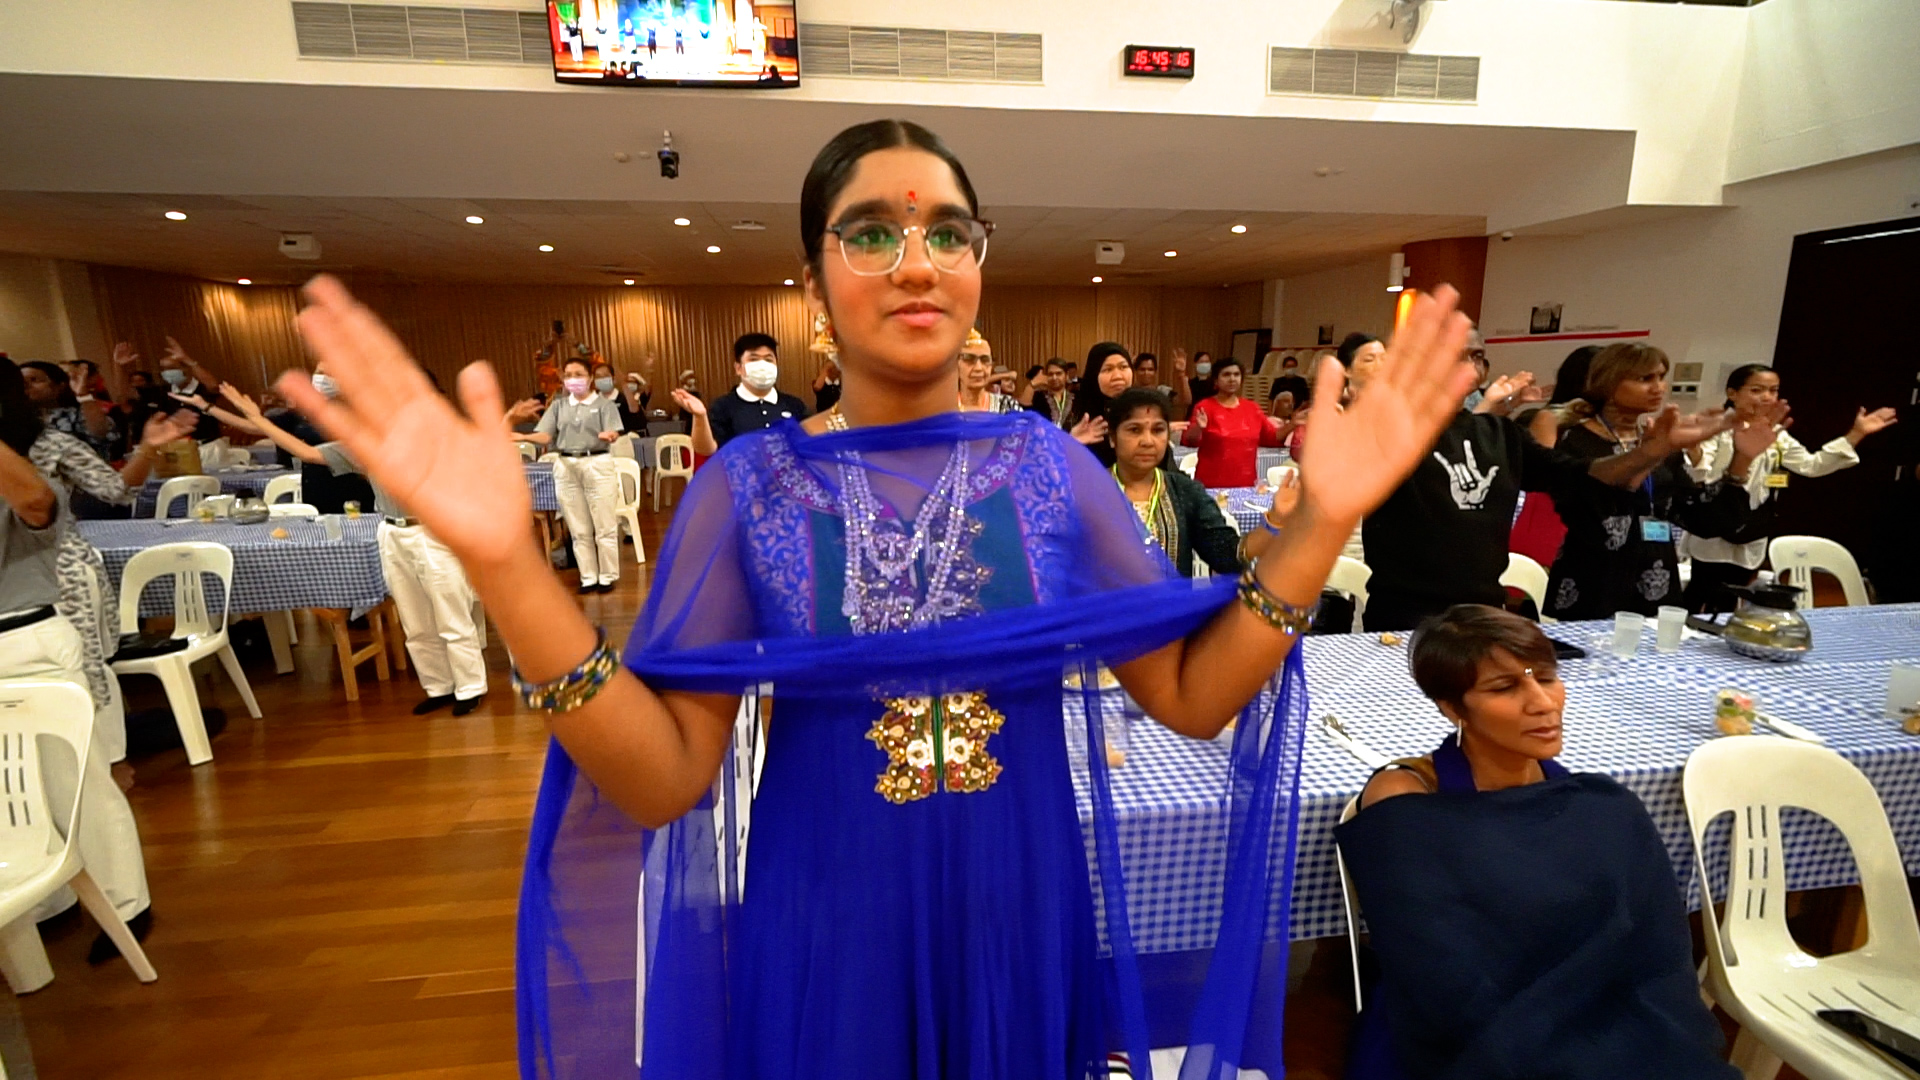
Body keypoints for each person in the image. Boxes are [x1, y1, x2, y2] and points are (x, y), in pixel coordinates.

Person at [274, 116, 1479, 1078]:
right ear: (812, 281)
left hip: (1022, 901)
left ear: (981, 266)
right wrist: (502, 563)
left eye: (951, 234)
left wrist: (1323, 521)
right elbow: (661, 778)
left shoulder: (1051, 469)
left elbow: (1192, 697)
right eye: (870, 235)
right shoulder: (747, 488)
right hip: (827, 914)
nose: (917, 262)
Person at [1337, 605, 1738, 1080]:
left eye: (1546, 678)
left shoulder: (1604, 807)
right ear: (1451, 707)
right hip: (1473, 1043)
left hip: (1615, 1030)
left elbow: (1658, 957)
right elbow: (1437, 974)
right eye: (1505, 687)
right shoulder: (1408, 801)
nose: (1543, 702)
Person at [1356, 347, 1731, 630]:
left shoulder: (1499, 434)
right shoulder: (1385, 433)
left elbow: (1582, 475)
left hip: (1482, 609)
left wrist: (1655, 450)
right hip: (1402, 612)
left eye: (1472, 355)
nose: (1467, 364)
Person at [0, 381, 154, 961]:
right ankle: (42, 900)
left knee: (76, 781)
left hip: (25, 636)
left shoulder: (30, 464)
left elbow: (39, 506)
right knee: (9, 795)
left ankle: (124, 903)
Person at [221, 385, 489, 717]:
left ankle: (470, 688)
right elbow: (307, 453)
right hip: (391, 532)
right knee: (414, 620)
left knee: (451, 614)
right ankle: (438, 686)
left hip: (433, 532)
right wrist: (256, 419)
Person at [1546, 343, 1769, 620]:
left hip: (1656, 579)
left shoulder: (1660, 439)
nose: (1659, 387)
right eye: (1645, 379)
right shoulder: (1573, 439)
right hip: (1594, 580)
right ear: (1608, 382)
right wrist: (1652, 453)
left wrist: (1742, 461)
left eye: (1661, 377)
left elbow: (1703, 519)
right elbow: (1591, 510)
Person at [1679, 364, 1897, 612]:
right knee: (1701, 592)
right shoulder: (1719, 428)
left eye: (1773, 391)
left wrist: (1855, 435)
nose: (1767, 397)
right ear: (1732, 393)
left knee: (1733, 596)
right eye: (1757, 390)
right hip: (1715, 524)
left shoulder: (1777, 434)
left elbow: (1811, 465)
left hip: (1751, 528)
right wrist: (1693, 448)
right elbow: (1701, 472)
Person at [1106, 388, 1285, 578]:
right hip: (1104, 607)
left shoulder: (1185, 491)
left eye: (1158, 430)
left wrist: (1275, 520)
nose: (1148, 441)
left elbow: (1228, 555)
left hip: (1175, 607)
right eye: (1135, 430)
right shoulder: (1085, 491)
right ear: (1112, 438)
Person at [524, 358, 625, 593]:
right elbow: (545, 436)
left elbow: (615, 431)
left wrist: (611, 435)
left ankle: (607, 576)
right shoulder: (559, 406)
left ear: (590, 378)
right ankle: (588, 576)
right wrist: (521, 437)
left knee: (604, 524)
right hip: (566, 464)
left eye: (578, 374)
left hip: (597, 461)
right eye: (568, 375)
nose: (573, 379)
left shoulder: (604, 404)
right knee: (578, 526)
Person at [1180, 356, 1283, 488]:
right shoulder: (1204, 406)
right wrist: (1199, 428)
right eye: (1226, 375)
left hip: (1246, 485)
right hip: (1211, 485)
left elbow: (1272, 438)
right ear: (1216, 380)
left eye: (1236, 374)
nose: (1232, 379)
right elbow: (1190, 441)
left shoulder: (1252, 408)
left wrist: (1294, 424)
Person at [706, 332, 810, 445]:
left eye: (769, 360)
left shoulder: (794, 405)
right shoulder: (721, 407)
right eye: (754, 359)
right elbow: (717, 451)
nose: (762, 365)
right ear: (738, 368)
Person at [19, 361, 119, 461]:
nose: (26, 386)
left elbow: (100, 434)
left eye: (33, 380)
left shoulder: (74, 414)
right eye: (21, 382)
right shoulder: (19, 420)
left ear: (59, 386)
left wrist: (83, 395)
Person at [1065, 342, 1135, 455]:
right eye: (1108, 369)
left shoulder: (1143, 407)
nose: (1118, 376)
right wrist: (1072, 443)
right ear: (1094, 374)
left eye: (1123, 367)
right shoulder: (1076, 412)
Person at [154, 338, 225, 443]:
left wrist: (186, 359)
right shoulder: (164, 392)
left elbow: (214, 386)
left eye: (171, 368)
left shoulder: (202, 388)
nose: (167, 373)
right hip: (179, 445)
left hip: (208, 444)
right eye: (163, 369)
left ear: (185, 369)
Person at [956, 329, 1021, 413]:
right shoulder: (942, 408)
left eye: (985, 360)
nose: (978, 368)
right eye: (969, 359)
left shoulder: (1007, 405)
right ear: (955, 365)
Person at [1131, 350, 1193, 417]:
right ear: (1135, 371)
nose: (1146, 373)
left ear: (1155, 372)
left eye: (1150, 369)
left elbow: (1186, 400)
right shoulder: (1129, 393)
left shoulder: (1162, 391)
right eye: (1142, 369)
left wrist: (1181, 373)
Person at [1027, 358, 1072, 427]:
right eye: (1050, 374)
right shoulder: (1039, 396)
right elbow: (1024, 408)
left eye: (1058, 373)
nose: (1054, 377)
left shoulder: (1077, 398)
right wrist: (1033, 383)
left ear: (1066, 375)